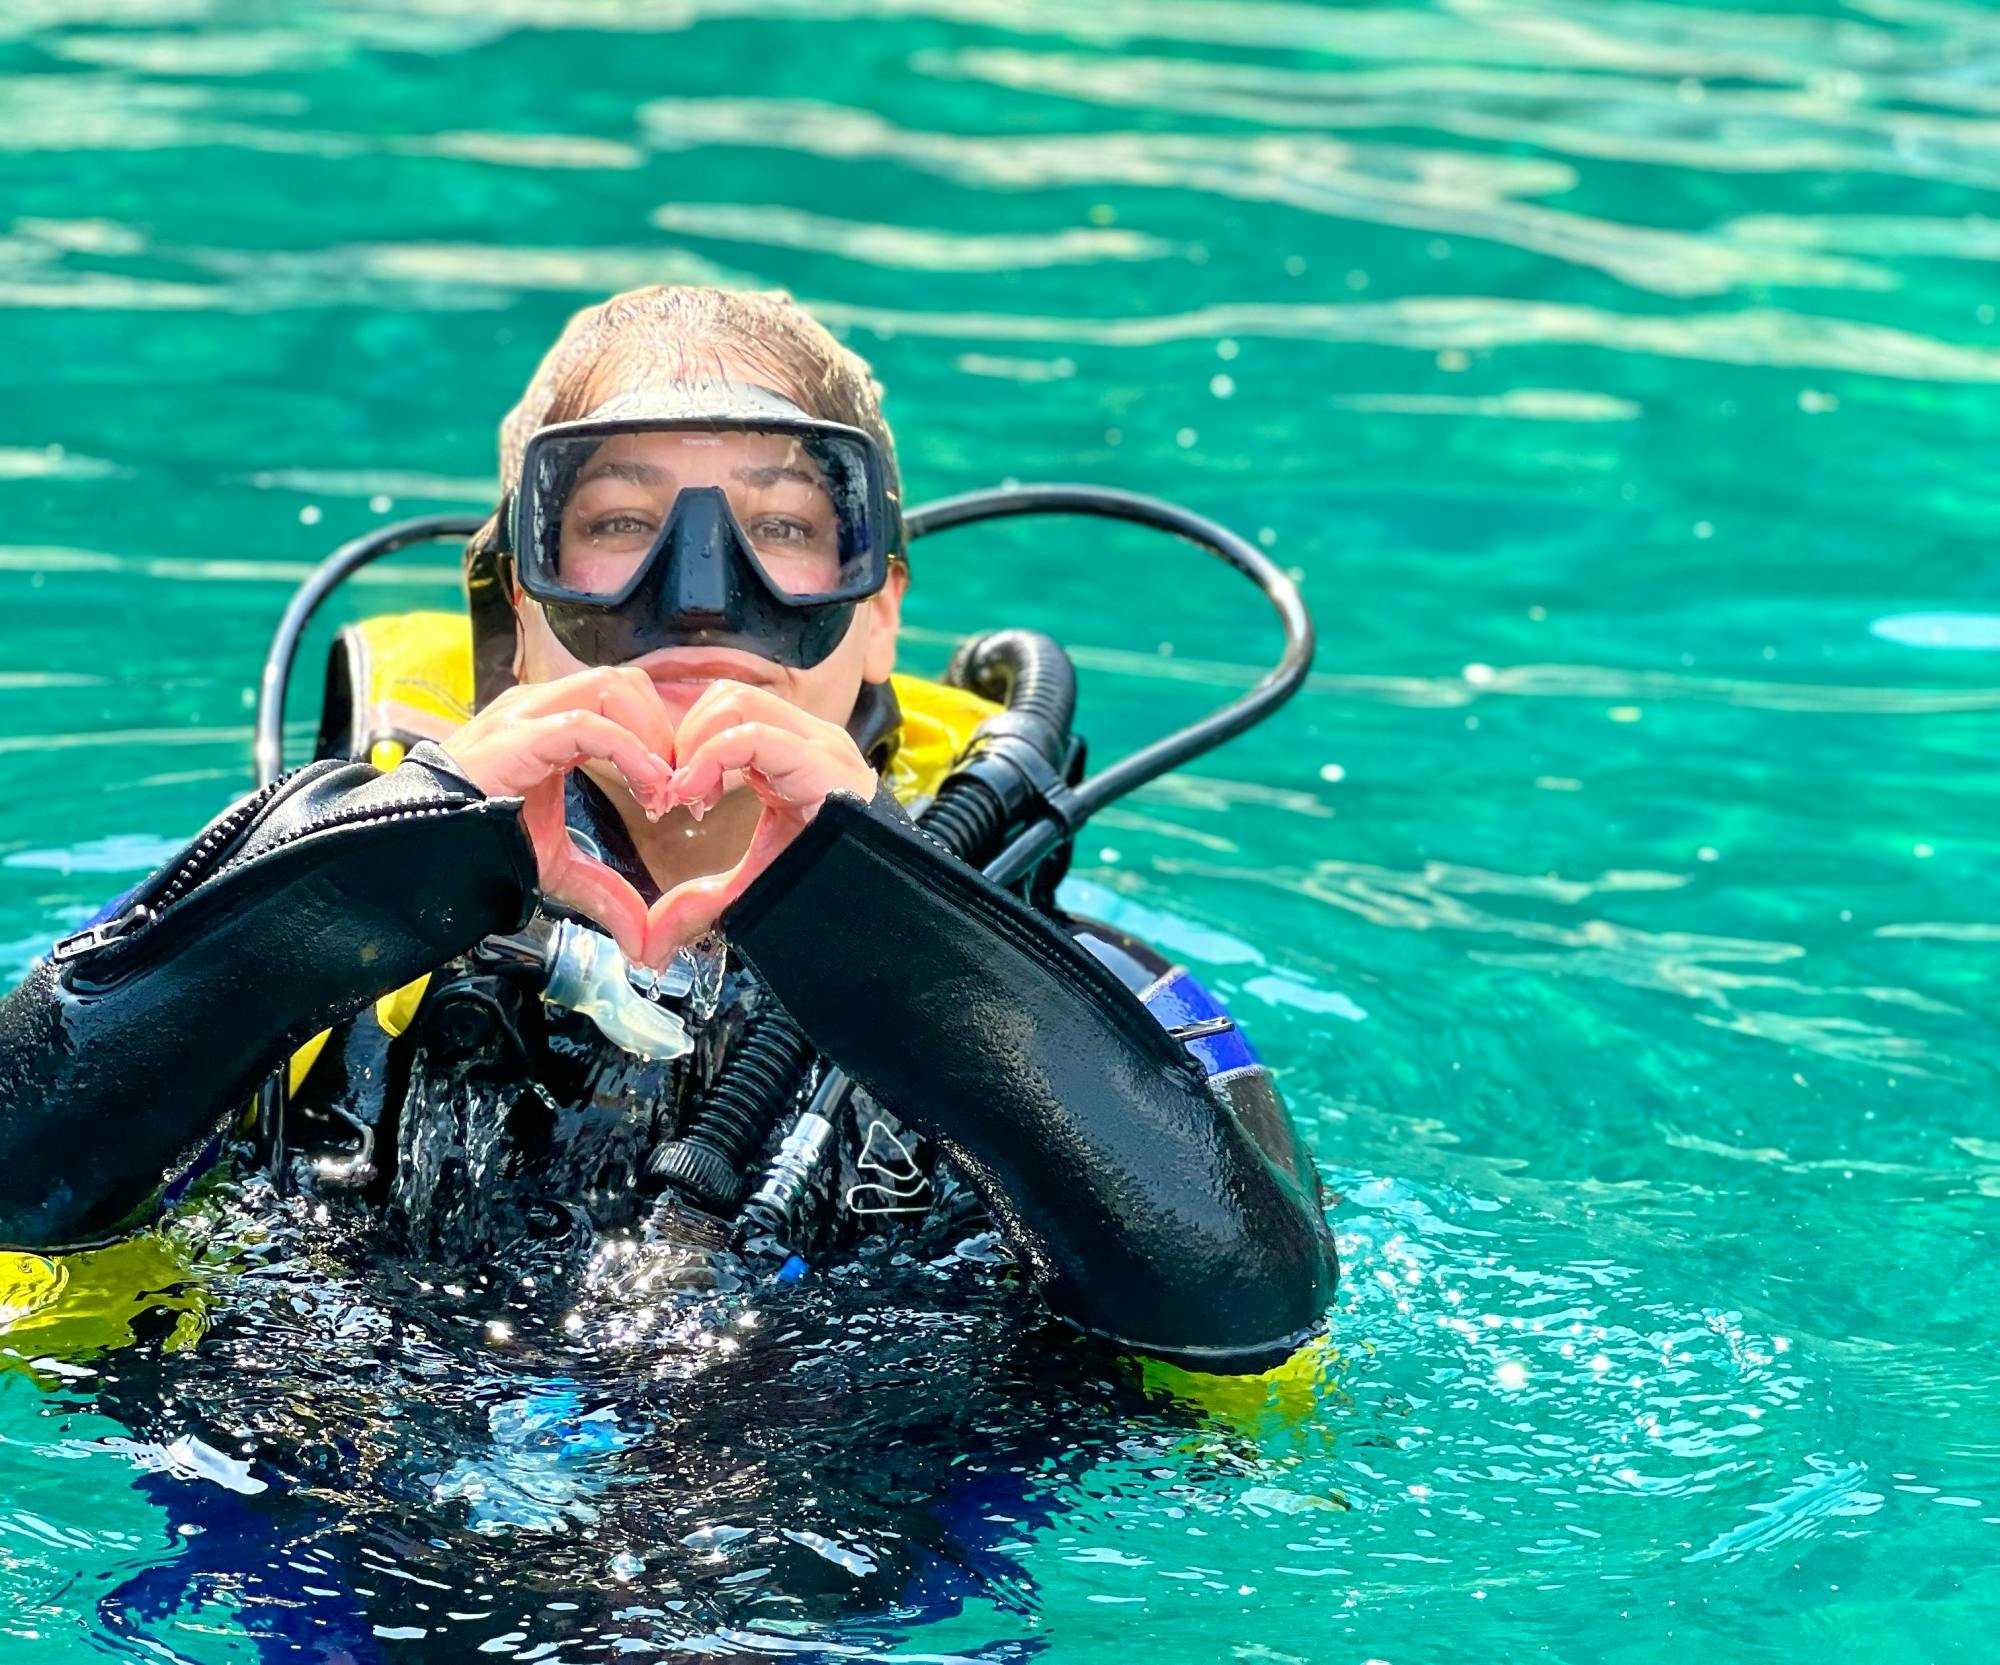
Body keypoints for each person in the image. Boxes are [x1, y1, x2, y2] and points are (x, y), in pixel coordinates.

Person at [0, 285, 1337, 1377]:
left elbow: (1246, 1302)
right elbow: (20, 1170)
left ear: (881, 606)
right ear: (514, 603)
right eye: (623, 524)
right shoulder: (310, 924)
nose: (702, 604)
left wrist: (883, 915)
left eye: (784, 529)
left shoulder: (1102, 1002)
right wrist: (382, 873)